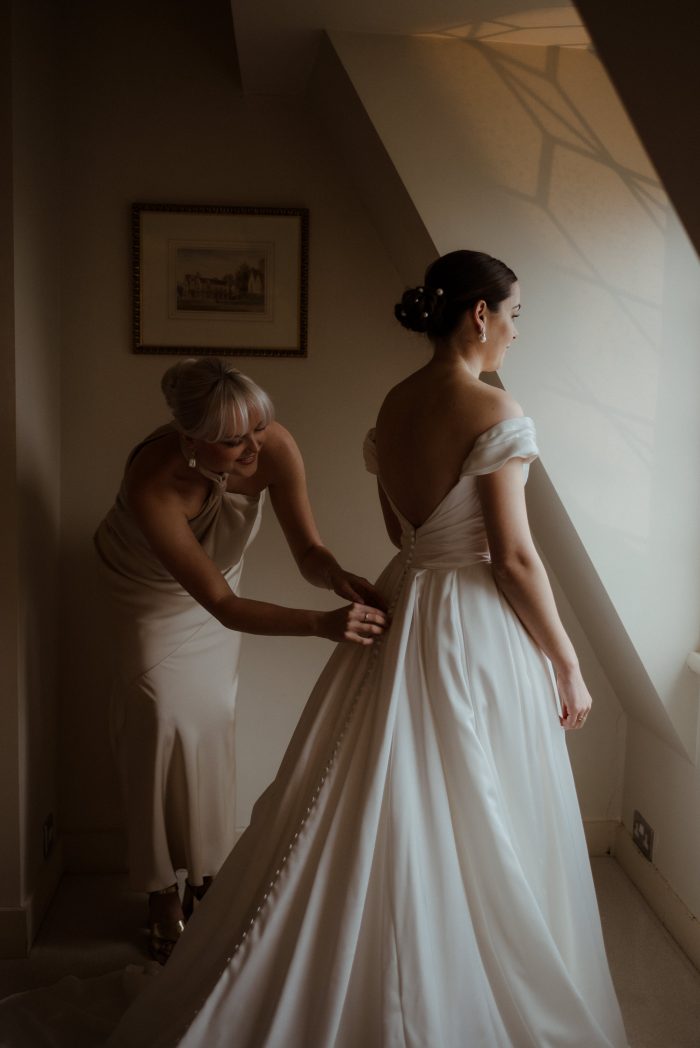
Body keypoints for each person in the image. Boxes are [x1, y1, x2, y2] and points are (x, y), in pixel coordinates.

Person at [105, 251, 628, 1046]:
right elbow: (514, 559)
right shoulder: (493, 410)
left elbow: (400, 531)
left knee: (373, 778)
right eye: (516, 315)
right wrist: (566, 659)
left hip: (407, 591)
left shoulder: (397, 401)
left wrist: (387, 568)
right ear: (479, 316)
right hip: (471, 615)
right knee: (474, 787)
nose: (517, 333)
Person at [94, 358, 387, 964]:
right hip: (149, 593)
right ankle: (158, 891)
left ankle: (205, 875)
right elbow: (223, 607)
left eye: (258, 428)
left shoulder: (271, 445)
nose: (256, 446)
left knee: (210, 722)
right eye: (234, 440)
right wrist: (320, 626)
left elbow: (307, 548)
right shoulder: (153, 481)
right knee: (156, 723)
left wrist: (334, 578)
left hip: (219, 583)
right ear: (191, 439)